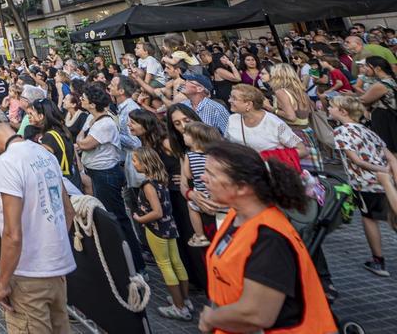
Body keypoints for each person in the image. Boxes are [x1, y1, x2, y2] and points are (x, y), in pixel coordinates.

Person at [197, 142, 336, 334]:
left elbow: (256, 314)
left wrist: (211, 317)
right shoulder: (237, 216)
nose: (203, 178)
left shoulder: (269, 238)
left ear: (242, 187)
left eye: (211, 174)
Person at [0, 106, 76, 334]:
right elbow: (68, 211)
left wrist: (2, 282)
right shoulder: (43, 152)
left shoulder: (8, 162)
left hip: (28, 275)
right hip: (57, 270)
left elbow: (12, 233)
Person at [77, 84, 145, 272]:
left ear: (92, 103)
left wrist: (81, 141)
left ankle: (137, 266)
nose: (80, 100)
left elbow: (85, 143)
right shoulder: (92, 118)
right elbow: (80, 139)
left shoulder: (105, 123)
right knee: (107, 217)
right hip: (96, 173)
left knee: (117, 218)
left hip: (106, 174)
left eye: (83, 97)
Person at [329, 95, 397, 278]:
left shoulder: (341, 132)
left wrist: (380, 170)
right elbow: (390, 157)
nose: (329, 109)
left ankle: (378, 260)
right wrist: (391, 175)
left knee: (369, 218)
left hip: (364, 182)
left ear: (343, 112)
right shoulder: (368, 130)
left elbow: (355, 160)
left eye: (332, 106)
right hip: (386, 182)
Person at [131, 146, 192, 320]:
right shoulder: (161, 180)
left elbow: (156, 212)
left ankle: (179, 306)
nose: (133, 164)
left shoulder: (148, 185)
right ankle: (184, 299)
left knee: (165, 264)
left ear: (145, 164)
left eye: (135, 161)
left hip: (156, 228)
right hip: (169, 226)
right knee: (176, 262)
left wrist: (140, 219)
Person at [225, 84, 307, 166]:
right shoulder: (232, 119)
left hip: (268, 171)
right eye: (230, 97)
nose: (229, 100)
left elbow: (302, 150)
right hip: (241, 170)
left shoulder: (275, 123)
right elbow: (227, 143)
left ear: (249, 104)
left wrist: (267, 156)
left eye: (234, 98)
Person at [182, 122, 224, 247]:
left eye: (186, 134)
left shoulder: (189, 155)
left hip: (200, 196)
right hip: (215, 197)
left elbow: (188, 175)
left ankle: (200, 235)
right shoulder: (212, 155)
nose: (183, 135)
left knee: (191, 206)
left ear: (195, 139)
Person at [26, 98, 78, 183]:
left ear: (41, 116)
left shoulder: (49, 137)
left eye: (33, 111)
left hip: (62, 181)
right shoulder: (61, 130)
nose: (29, 115)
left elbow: (43, 164)